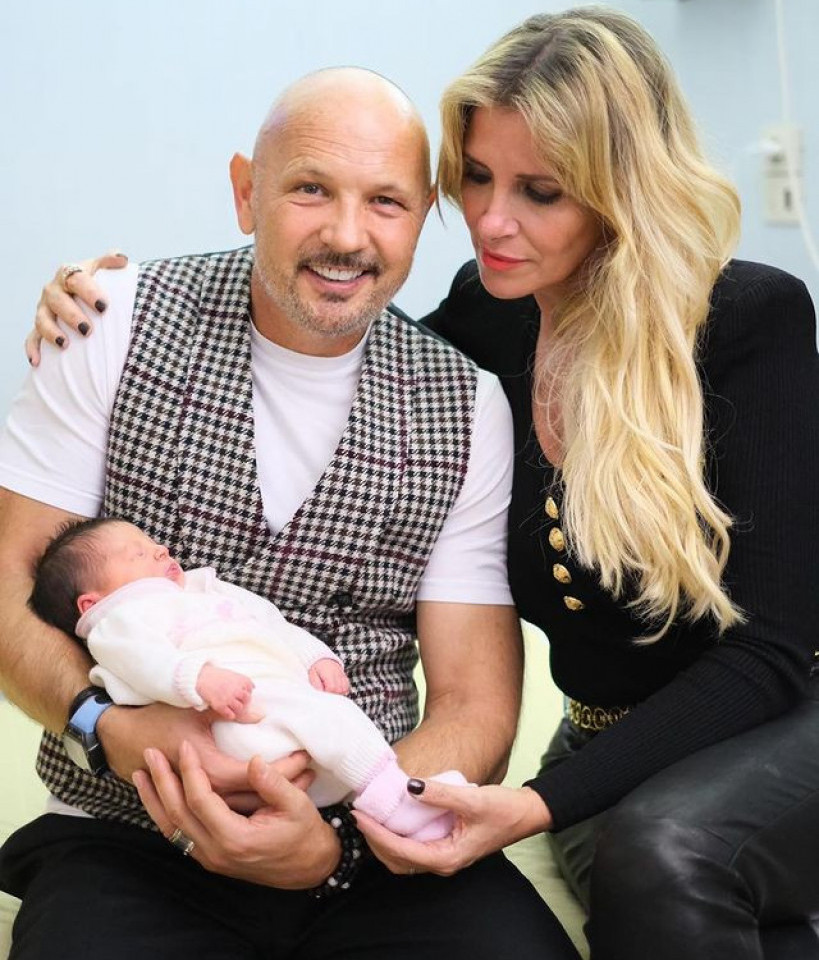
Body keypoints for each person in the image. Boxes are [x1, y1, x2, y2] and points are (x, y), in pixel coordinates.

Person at [26, 8, 819, 960]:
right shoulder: (487, 325)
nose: (491, 220)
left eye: (540, 191)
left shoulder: (746, 319)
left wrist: (518, 804)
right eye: (476, 178)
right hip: (603, 750)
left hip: (779, 721)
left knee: (661, 858)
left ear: (618, 192)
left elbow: (767, 651)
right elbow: (345, 335)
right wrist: (106, 300)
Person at [0, 68, 579, 960]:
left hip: (376, 836)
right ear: (247, 192)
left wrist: (341, 840)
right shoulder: (108, 321)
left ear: (423, 217)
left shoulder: (464, 404)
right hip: (128, 832)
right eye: (310, 189)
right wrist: (103, 727)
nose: (346, 236)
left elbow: (473, 702)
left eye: (385, 201)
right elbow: (9, 582)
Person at [30, 516, 467, 840]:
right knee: (328, 719)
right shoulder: (119, 621)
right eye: (137, 554)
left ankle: (394, 807)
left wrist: (316, 657)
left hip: (262, 705)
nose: (160, 550)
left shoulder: (206, 590)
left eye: (154, 544)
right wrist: (198, 678)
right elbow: (143, 661)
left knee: (330, 721)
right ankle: (398, 801)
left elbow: (272, 624)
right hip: (221, 722)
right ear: (91, 603)